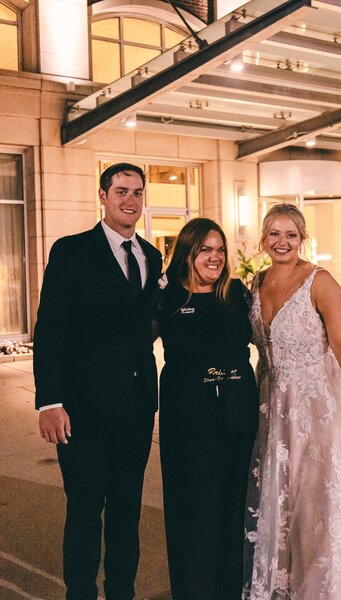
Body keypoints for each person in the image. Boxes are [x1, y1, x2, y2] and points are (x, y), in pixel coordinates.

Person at [243, 203, 341, 600]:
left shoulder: (320, 282)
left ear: (302, 238)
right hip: (272, 405)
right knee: (282, 496)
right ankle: (285, 578)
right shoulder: (255, 282)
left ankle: (324, 585)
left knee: (316, 500)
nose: (282, 242)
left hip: (317, 408)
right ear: (263, 240)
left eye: (291, 235)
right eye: (274, 234)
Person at [33, 163, 162, 600]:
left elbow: (145, 326)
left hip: (137, 408)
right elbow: (50, 328)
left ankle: (121, 592)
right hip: (82, 410)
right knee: (86, 510)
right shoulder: (71, 251)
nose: (130, 200)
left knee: (127, 512)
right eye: (121, 191)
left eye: (138, 192)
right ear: (103, 196)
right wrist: (49, 401)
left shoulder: (151, 255)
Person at [155, 218, 259, 600]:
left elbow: (269, 340)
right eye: (205, 250)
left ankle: (231, 590)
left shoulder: (237, 294)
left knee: (234, 501)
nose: (214, 258)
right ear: (188, 252)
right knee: (191, 504)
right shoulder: (166, 297)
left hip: (236, 410)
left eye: (219, 250)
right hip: (186, 414)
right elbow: (129, 340)